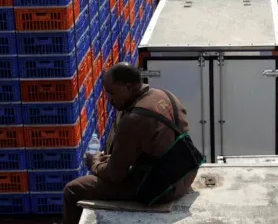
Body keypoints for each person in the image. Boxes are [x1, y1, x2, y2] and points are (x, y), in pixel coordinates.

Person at [62, 63, 203, 224]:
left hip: (163, 189)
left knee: (73, 189)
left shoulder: (133, 119)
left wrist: (94, 163)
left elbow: (114, 175)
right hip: (186, 173)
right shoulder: (165, 95)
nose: (109, 100)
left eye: (111, 93)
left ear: (128, 87)